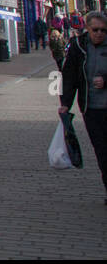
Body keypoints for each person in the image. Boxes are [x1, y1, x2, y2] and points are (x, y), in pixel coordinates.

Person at [57, 11, 107, 203]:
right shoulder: (78, 47)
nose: (100, 33)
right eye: (95, 30)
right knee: (102, 151)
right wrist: (65, 104)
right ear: (87, 29)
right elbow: (69, 78)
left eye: (103, 30)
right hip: (91, 108)